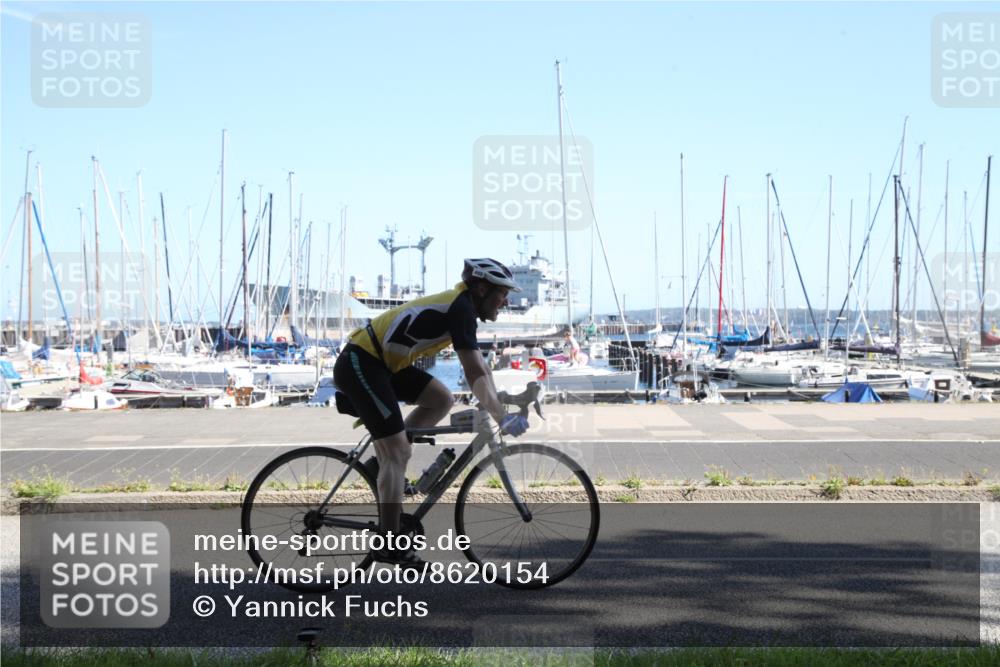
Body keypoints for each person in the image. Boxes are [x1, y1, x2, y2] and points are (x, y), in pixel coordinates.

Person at [332, 258, 530, 567]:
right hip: (362, 362)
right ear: (481, 288)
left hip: (381, 365)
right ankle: (389, 544)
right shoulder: (460, 308)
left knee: (441, 399)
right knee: (397, 451)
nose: (505, 301)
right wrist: (501, 416)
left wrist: (496, 403)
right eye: (502, 293)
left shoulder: (463, 309)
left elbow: (481, 369)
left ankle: (377, 466)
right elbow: (474, 369)